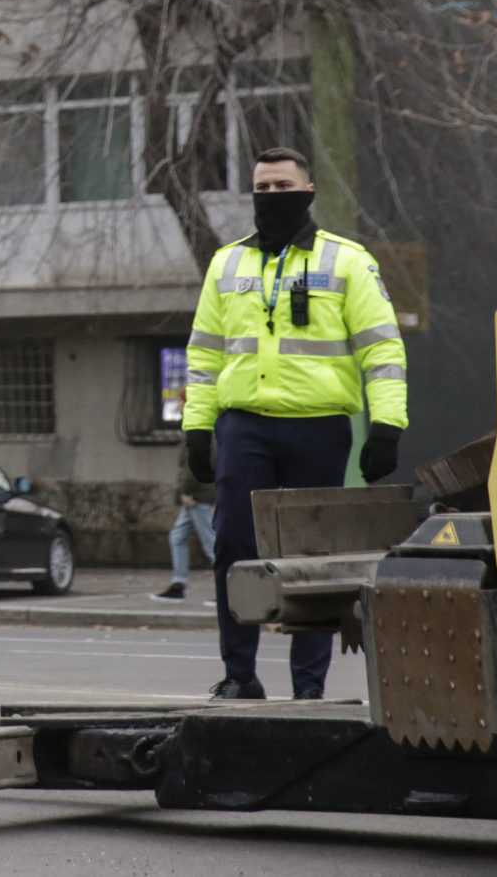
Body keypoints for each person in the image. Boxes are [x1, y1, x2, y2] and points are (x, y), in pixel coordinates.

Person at [182, 146, 409, 700]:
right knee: (234, 551)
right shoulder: (227, 263)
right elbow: (204, 355)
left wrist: (387, 426)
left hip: (319, 427)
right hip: (245, 427)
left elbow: (381, 350)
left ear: (308, 192)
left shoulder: (348, 260)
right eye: (263, 187)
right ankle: (240, 677)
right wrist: (196, 429)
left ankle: (309, 689)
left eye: (283, 186)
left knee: (312, 560)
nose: (272, 196)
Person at [152, 433, 217, 602]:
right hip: (198, 496)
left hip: (197, 497)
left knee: (211, 544)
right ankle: (178, 585)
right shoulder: (205, 435)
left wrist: (187, 491)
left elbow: (191, 466)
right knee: (178, 536)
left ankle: (227, 588)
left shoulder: (196, 433)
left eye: (180, 404)